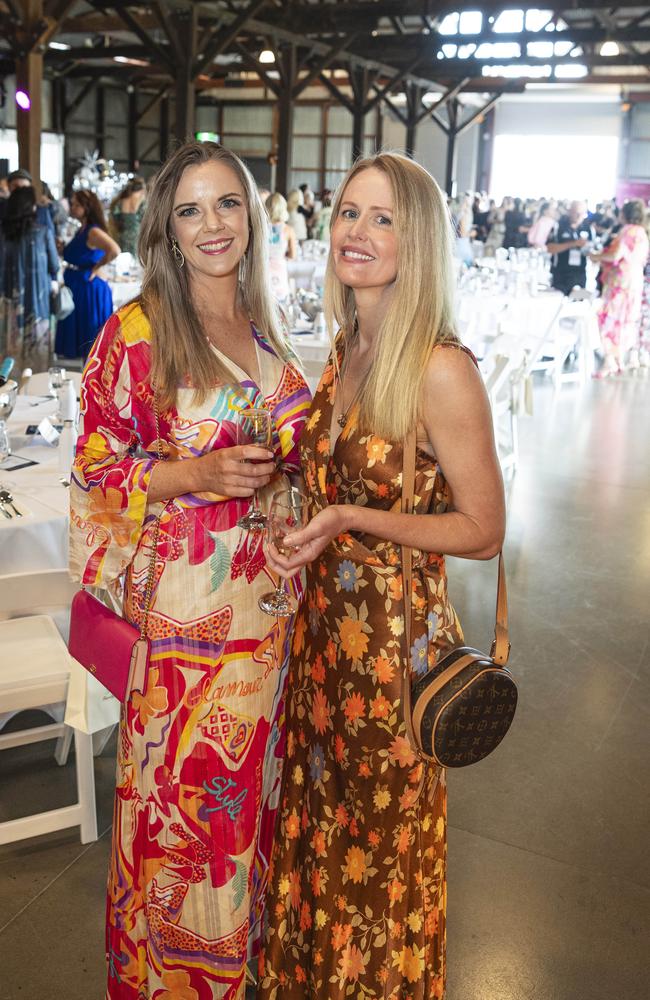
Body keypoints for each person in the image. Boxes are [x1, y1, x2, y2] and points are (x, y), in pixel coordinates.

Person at [259, 152, 505, 998]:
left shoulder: (440, 367)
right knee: (321, 832)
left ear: (420, 241)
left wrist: (350, 518)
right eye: (347, 214)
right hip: (325, 645)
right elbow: (331, 477)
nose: (355, 234)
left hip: (395, 661)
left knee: (379, 851)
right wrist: (291, 509)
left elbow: (483, 529)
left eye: (383, 219)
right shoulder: (348, 345)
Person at [69, 140, 311, 1000]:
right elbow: (95, 470)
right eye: (191, 209)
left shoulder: (260, 325)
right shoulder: (135, 331)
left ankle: (237, 977)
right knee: (183, 822)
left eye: (228, 204)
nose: (213, 225)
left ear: (252, 214)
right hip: (184, 636)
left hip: (268, 620)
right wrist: (195, 475)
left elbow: (284, 459)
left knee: (243, 818)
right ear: (166, 230)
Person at [55, 188, 120, 359]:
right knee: (83, 339)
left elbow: (114, 250)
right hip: (79, 286)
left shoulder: (93, 231)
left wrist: (96, 268)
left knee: (89, 339)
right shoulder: (82, 229)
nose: (72, 207)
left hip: (88, 288)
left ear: (87, 207)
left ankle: (90, 379)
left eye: (77, 204)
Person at [0, 185, 59, 369]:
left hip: (10, 303)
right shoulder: (42, 232)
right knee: (37, 360)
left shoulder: (4, 236)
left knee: (10, 357)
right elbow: (55, 265)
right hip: (38, 304)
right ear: (31, 207)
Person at [590, 198, 649, 376]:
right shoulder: (642, 233)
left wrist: (596, 257)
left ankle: (610, 360)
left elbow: (616, 255)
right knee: (625, 321)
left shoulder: (627, 232)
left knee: (607, 318)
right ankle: (617, 360)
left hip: (619, 283)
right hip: (634, 282)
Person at [547, 200, 593, 295]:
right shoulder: (558, 225)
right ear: (569, 211)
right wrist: (573, 244)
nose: (579, 216)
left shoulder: (588, 228)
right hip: (560, 274)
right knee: (559, 304)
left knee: (578, 304)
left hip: (579, 274)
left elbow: (592, 251)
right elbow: (549, 248)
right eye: (576, 213)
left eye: (582, 214)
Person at [266, 191, 297, 301]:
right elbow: (293, 255)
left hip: (262, 270)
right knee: (281, 306)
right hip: (279, 269)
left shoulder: (260, 229)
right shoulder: (288, 230)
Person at [109, 176, 147, 256]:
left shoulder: (121, 201)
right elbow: (145, 219)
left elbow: (114, 216)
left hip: (122, 235)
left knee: (122, 259)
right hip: (136, 235)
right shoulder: (142, 201)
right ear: (142, 190)